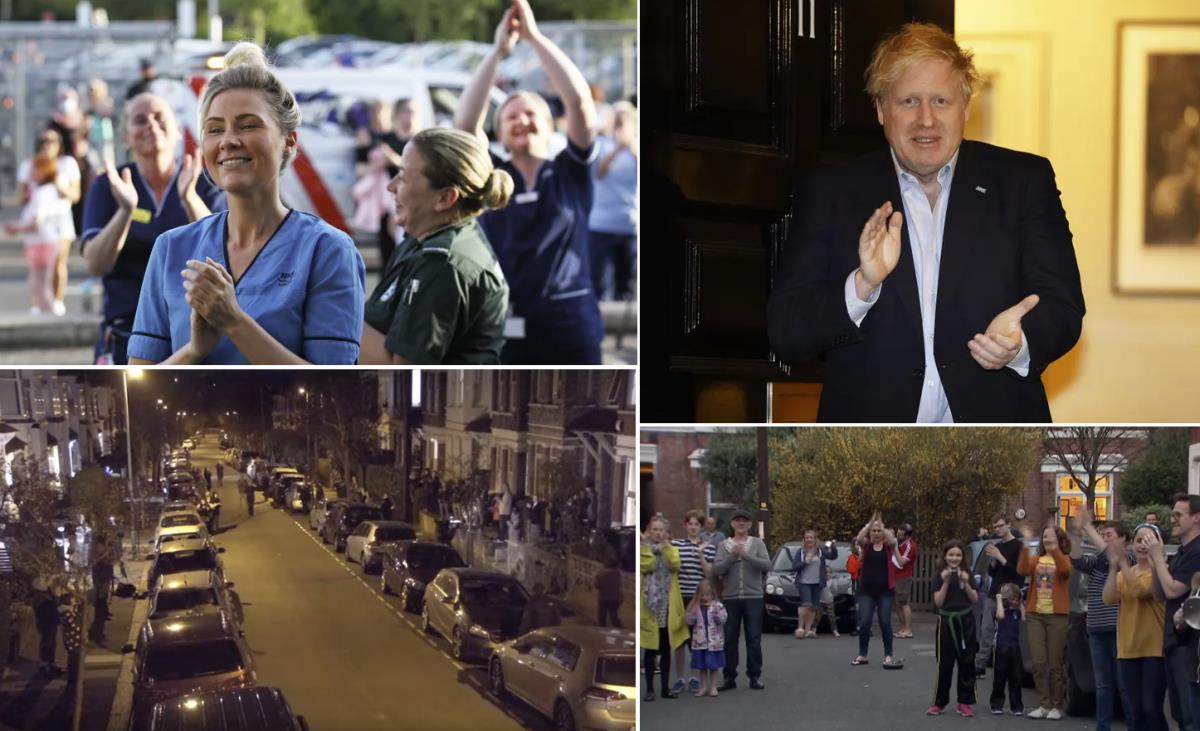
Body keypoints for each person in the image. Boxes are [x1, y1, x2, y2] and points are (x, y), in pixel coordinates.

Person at [766, 22, 1085, 422]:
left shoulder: (1024, 182)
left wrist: (1020, 343)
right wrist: (861, 286)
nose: (926, 120)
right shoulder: (833, 191)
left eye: (941, 101)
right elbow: (787, 331)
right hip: (871, 449)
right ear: (881, 109)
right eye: (909, 102)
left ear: (966, 107)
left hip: (996, 435)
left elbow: (1063, 306)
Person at [127, 42, 365, 365]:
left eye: (248, 125)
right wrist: (195, 351)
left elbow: (334, 393)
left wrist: (234, 323)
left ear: (289, 140)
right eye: (214, 129)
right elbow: (139, 389)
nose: (228, 141)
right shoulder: (171, 250)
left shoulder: (328, 251)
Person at [456, 0, 603, 364]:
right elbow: (464, 125)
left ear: (551, 125)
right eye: (510, 116)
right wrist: (497, 53)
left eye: (530, 113)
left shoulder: (571, 169)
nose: (521, 120)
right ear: (500, 133)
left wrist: (534, 38)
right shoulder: (490, 173)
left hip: (570, 323)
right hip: (503, 318)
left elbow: (579, 101)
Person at [360, 128, 511, 364]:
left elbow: (400, 370)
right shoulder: (426, 235)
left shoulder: (443, 265)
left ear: (445, 198)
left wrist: (333, 309)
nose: (391, 186)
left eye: (403, 176)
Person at [1071, 506, 1133, 731]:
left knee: (1123, 684)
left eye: (1110, 535)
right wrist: (1077, 533)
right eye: (1103, 534)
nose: (1105, 539)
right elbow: (1076, 559)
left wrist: (1088, 526)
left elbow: (1110, 553)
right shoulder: (1097, 561)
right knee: (1103, 685)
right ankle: (1102, 727)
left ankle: (1133, 725)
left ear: (1124, 539)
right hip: (1096, 629)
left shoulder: (1130, 558)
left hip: (1119, 629)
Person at [1104, 523, 1168, 730]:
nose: (1142, 545)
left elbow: (1141, 590)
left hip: (1154, 649)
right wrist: (1114, 567)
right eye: (1138, 540)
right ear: (1132, 544)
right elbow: (1109, 597)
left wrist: (1122, 561)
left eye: (1148, 541)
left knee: (1151, 708)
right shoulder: (1125, 573)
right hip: (1128, 650)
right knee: (1135, 710)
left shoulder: (1160, 573)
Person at [17, 127, 80, 316]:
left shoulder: (67, 164)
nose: (47, 145)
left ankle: (57, 300)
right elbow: (21, 197)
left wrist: (57, 183)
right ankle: (38, 303)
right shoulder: (29, 165)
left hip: (60, 218)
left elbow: (75, 195)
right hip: (39, 220)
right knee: (37, 266)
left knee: (59, 262)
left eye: (52, 141)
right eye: (43, 141)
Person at [1150, 493, 1200, 730]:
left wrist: (1160, 561)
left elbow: (1173, 590)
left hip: (1189, 645)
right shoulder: (1182, 551)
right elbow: (1160, 594)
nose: (1172, 520)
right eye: (1172, 515)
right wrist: (1154, 563)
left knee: (1190, 717)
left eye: (1178, 515)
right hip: (1172, 640)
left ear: (1197, 518)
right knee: (1179, 714)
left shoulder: (1197, 552)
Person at [712, 507, 771, 690]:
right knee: (730, 638)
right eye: (737, 521)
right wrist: (732, 557)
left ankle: (755, 675)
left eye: (744, 521)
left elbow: (766, 564)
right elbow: (717, 569)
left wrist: (746, 555)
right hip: (730, 597)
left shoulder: (757, 544)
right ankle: (729, 677)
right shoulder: (724, 546)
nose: (741, 523)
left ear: (749, 525)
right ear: (732, 524)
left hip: (753, 596)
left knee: (753, 638)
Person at [1018, 524, 1073, 720]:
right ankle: (1044, 704)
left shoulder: (1063, 558)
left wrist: (1054, 550)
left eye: (1050, 537)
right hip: (1035, 615)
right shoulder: (1036, 560)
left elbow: (1065, 571)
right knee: (1039, 662)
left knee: (1055, 664)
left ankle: (1057, 706)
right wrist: (1025, 545)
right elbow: (1022, 569)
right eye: (1044, 537)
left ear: (1059, 540)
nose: (1046, 540)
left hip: (1057, 616)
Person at [5, 156, 71, 313]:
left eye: (35, 169)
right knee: (40, 281)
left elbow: (36, 222)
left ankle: (45, 311)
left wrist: (17, 227)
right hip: (43, 240)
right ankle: (44, 309)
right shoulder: (43, 190)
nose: (31, 172)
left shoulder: (43, 192)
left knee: (39, 282)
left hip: (42, 241)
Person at [589, 100, 638, 301]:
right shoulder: (602, 146)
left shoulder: (636, 148)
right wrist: (617, 149)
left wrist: (632, 149)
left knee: (626, 284)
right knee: (599, 281)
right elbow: (598, 174)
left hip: (629, 225)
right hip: (601, 224)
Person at [927, 539, 978, 717]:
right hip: (947, 621)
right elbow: (938, 602)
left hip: (966, 620)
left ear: (962, 556)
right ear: (945, 556)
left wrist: (968, 583)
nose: (954, 558)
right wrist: (946, 582)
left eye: (958, 555)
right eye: (951, 555)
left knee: (967, 662)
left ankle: (964, 702)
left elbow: (975, 599)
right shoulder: (938, 575)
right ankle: (939, 703)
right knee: (945, 664)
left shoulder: (967, 573)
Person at [640, 515, 687, 701]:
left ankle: (665, 688)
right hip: (650, 604)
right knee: (651, 650)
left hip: (667, 604)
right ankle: (650, 688)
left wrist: (665, 548)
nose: (658, 533)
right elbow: (647, 565)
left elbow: (675, 565)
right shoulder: (643, 550)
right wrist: (650, 550)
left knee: (666, 648)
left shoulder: (672, 549)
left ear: (666, 533)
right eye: (655, 530)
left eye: (661, 530)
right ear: (649, 531)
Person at [669, 509, 717, 692]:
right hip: (679, 597)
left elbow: (708, 574)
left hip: (699, 597)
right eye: (690, 524)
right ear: (685, 525)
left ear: (701, 527)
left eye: (697, 524)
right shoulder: (677, 545)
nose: (693, 527)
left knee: (698, 639)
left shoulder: (709, 547)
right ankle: (680, 678)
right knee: (680, 639)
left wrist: (700, 554)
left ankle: (695, 677)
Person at [852, 511, 902, 668]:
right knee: (865, 621)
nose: (876, 533)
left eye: (878, 531)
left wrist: (881, 525)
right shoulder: (866, 546)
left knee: (885, 622)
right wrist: (869, 524)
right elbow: (859, 538)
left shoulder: (888, 547)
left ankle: (888, 655)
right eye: (874, 531)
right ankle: (862, 654)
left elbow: (893, 539)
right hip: (866, 591)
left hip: (885, 592)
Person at [978, 514, 1025, 676]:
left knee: (1009, 632)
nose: (997, 529)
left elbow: (1018, 573)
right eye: (995, 527)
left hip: (1011, 594)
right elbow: (992, 572)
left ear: (1009, 525)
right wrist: (993, 561)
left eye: (1000, 525)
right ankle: (982, 663)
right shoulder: (998, 545)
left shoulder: (1019, 546)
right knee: (986, 629)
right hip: (994, 592)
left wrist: (1000, 557)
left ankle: (1009, 665)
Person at [685, 579, 726, 698]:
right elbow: (688, 621)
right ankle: (703, 687)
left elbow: (723, 619)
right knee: (702, 666)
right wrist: (692, 606)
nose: (704, 597)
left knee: (713, 666)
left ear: (712, 594)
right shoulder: (696, 607)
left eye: (707, 595)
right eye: (701, 595)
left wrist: (716, 613)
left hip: (714, 642)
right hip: (700, 642)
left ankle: (713, 686)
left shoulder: (717, 606)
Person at [793, 530, 838, 639]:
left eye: (811, 538)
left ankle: (808, 630)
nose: (809, 540)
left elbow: (833, 556)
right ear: (804, 540)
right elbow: (795, 566)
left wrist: (833, 547)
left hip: (817, 583)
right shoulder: (801, 552)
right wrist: (805, 562)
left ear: (815, 539)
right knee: (806, 604)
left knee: (813, 607)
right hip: (804, 582)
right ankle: (800, 628)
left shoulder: (820, 551)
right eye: (807, 538)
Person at [990, 582, 1025, 715]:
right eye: (1013, 599)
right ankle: (996, 704)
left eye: (1017, 598)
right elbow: (1000, 616)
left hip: (1014, 647)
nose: (1015, 601)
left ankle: (1016, 706)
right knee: (1000, 676)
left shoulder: (1016, 611)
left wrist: (1021, 603)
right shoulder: (1001, 610)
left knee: (1016, 678)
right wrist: (999, 600)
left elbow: (1024, 618)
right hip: (1001, 647)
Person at [893, 522, 917, 638]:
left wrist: (895, 548)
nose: (898, 535)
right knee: (897, 604)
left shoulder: (910, 546)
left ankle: (908, 629)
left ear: (907, 536)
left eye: (901, 534)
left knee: (904, 603)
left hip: (903, 577)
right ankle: (903, 628)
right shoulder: (900, 543)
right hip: (895, 576)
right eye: (898, 532)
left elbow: (902, 562)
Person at [34, 580, 63, 675]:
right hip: (48, 624)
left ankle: (49, 663)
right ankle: (46, 664)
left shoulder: (41, 596)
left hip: (47, 623)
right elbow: (51, 608)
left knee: (50, 642)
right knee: (48, 643)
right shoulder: (43, 598)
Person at [594, 557, 624, 627]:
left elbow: (597, 585)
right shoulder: (618, 573)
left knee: (602, 616)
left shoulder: (601, 573)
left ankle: (602, 630)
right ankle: (619, 628)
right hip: (616, 597)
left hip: (604, 597)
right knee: (614, 615)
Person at [819, 565, 840, 637]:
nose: (828, 574)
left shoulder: (832, 581)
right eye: (826, 572)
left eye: (829, 572)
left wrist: (834, 583)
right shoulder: (820, 581)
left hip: (829, 600)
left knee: (831, 616)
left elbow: (835, 591)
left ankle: (835, 630)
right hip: (821, 600)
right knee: (817, 616)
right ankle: (813, 629)